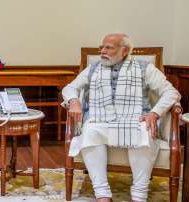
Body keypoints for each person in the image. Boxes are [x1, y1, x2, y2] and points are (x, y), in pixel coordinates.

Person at [62, 33, 181, 202]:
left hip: (135, 119)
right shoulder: (93, 68)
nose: (102, 51)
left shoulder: (144, 68)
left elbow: (171, 92)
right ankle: (102, 194)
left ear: (124, 50)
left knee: (144, 131)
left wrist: (154, 113)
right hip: (100, 119)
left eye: (108, 47)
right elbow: (70, 88)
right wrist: (73, 101)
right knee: (89, 130)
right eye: (101, 47)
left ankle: (139, 195)